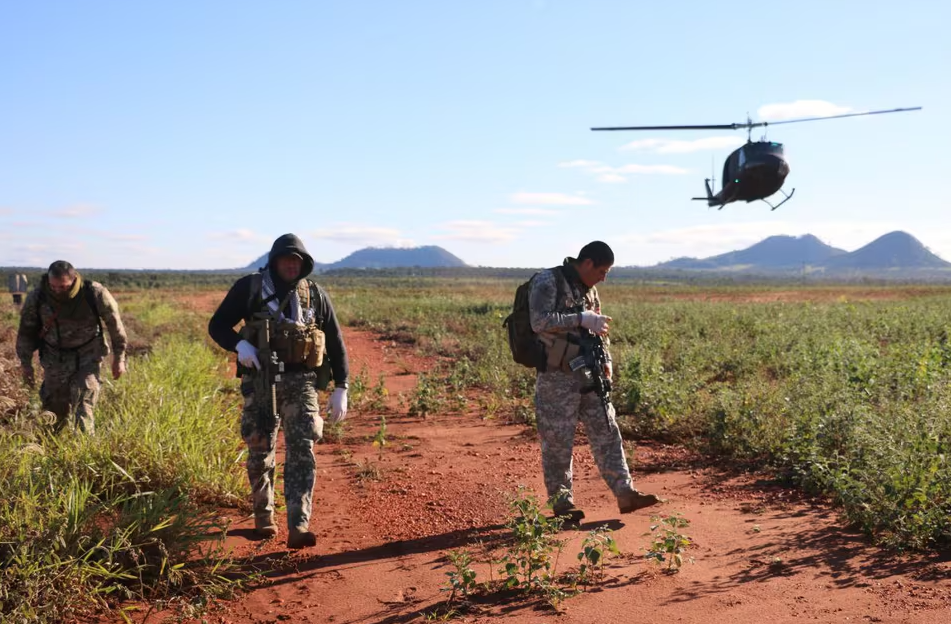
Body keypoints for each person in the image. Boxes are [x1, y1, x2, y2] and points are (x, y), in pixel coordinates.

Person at [208, 233, 350, 550]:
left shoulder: (314, 295)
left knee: (302, 451)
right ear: (273, 261)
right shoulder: (249, 287)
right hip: (260, 380)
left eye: (296, 260)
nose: (290, 265)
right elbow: (217, 325)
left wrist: (342, 386)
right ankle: (264, 517)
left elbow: (336, 342)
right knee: (260, 449)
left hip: (302, 383)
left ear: (304, 264)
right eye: (286, 259)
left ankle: (299, 525)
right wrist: (239, 344)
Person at [528, 241, 661, 523]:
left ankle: (626, 493)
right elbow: (538, 322)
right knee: (557, 443)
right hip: (556, 378)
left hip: (590, 373)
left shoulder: (590, 290)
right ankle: (562, 506)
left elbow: (599, 329)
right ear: (587, 263)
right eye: (601, 270)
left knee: (608, 432)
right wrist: (580, 318)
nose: (603, 277)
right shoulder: (547, 280)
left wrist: (607, 361)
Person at [16, 261, 128, 434]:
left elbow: (115, 326)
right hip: (54, 357)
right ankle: (51, 447)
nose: (58, 291)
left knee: (84, 402)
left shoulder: (94, 293)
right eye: (53, 286)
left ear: (74, 279)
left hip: (88, 355)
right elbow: (26, 332)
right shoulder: (38, 296)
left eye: (63, 286)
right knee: (54, 408)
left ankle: (84, 453)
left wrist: (119, 359)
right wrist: (26, 364)